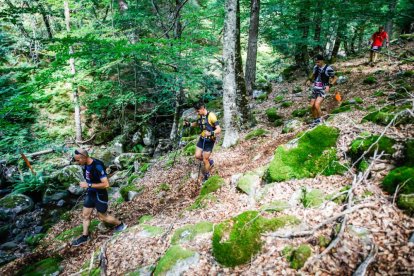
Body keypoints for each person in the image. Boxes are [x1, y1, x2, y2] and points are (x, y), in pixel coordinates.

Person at [71, 148, 127, 246]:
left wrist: (88, 185)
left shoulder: (97, 166)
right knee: (85, 215)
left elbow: (106, 184)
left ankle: (121, 225)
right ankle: (85, 236)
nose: (77, 162)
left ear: (84, 157)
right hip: (91, 193)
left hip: (100, 195)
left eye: (78, 160)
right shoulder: (84, 165)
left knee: (103, 217)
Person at [184, 102, 221, 182]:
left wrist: (211, 133)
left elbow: (219, 129)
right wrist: (189, 124)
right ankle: (210, 161)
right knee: (197, 156)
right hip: (202, 139)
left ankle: (207, 175)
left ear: (202, 108)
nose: (197, 113)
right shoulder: (200, 115)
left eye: (198, 111)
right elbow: (198, 123)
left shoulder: (211, 116)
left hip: (209, 140)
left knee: (205, 159)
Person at [305, 55, 337, 126]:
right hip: (315, 88)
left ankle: (321, 121)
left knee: (317, 104)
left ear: (322, 61)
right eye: (316, 62)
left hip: (322, 89)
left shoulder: (328, 68)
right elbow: (313, 74)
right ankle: (315, 120)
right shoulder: (315, 67)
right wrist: (309, 80)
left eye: (318, 62)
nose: (317, 63)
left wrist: (330, 85)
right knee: (312, 106)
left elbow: (335, 78)